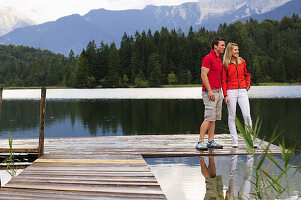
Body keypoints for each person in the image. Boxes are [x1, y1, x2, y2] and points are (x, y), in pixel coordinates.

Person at [196, 37, 225, 150]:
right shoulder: (208, 58)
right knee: (208, 117)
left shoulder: (219, 59)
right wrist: (209, 90)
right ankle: (200, 142)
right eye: (222, 45)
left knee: (213, 118)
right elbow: (203, 75)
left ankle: (211, 141)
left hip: (218, 92)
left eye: (224, 45)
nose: (223, 47)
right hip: (209, 93)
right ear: (215, 46)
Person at [222, 43, 252, 148]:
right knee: (232, 116)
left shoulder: (242, 62)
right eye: (235, 50)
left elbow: (247, 75)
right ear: (230, 51)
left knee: (247, 116)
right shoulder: (226, 64)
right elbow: (223, 81)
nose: (237, 51)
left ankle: (250, 140)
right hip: (231, 92)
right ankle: (234, 141)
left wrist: (248, 85)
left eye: (238, 49)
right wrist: (225, 95)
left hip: (243, 91)